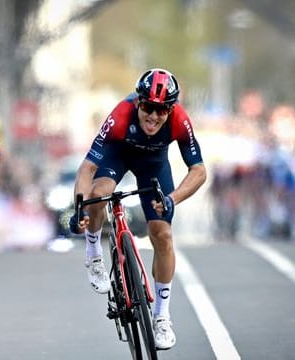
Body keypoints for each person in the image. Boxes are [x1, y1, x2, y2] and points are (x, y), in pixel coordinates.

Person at [69, 68, 206, 350]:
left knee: (163, 234)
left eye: (161, 110)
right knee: (98, 194)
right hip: (117, 156)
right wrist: (80, 209)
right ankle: (94, 252)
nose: (153, 116)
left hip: (153, 165)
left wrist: (173, 198)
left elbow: (199, 171)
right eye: (147, 107)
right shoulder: (121, 114)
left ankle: (161, 317)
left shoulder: (180, 119)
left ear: (171, 109)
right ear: (138, 103)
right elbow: (88, 168)